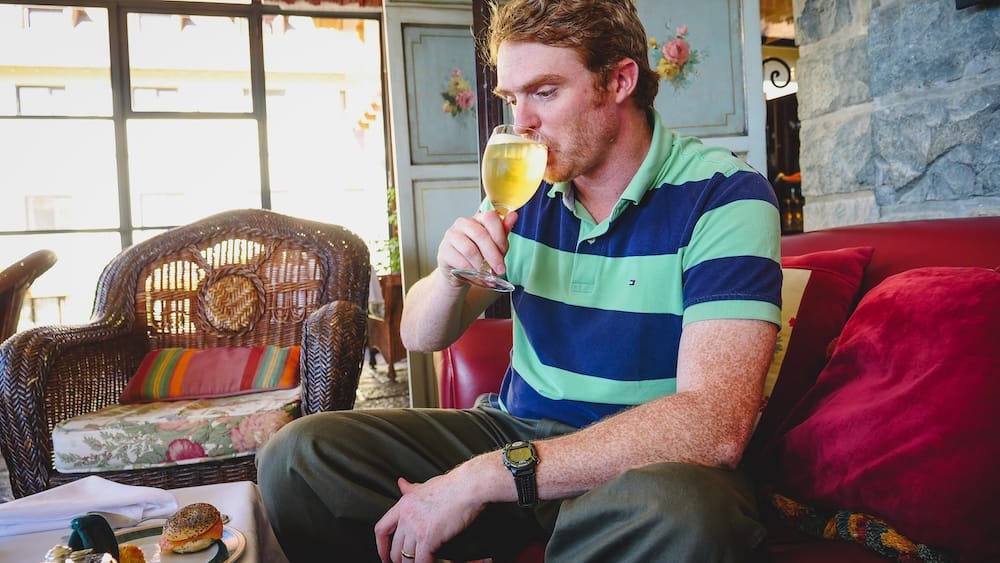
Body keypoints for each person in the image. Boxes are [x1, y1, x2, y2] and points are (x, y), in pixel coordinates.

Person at [256, 0, 782, 561]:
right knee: (298, 455)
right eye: (512, 98)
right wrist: (452, 277)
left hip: (639, 465)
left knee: (689, 515)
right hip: (515, 430)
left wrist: (480, 479)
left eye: (545, 92)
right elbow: (418, 335)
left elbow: (715, 425)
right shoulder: (528, 187)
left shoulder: (724, 196)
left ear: (620, 80)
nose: (521, 121)